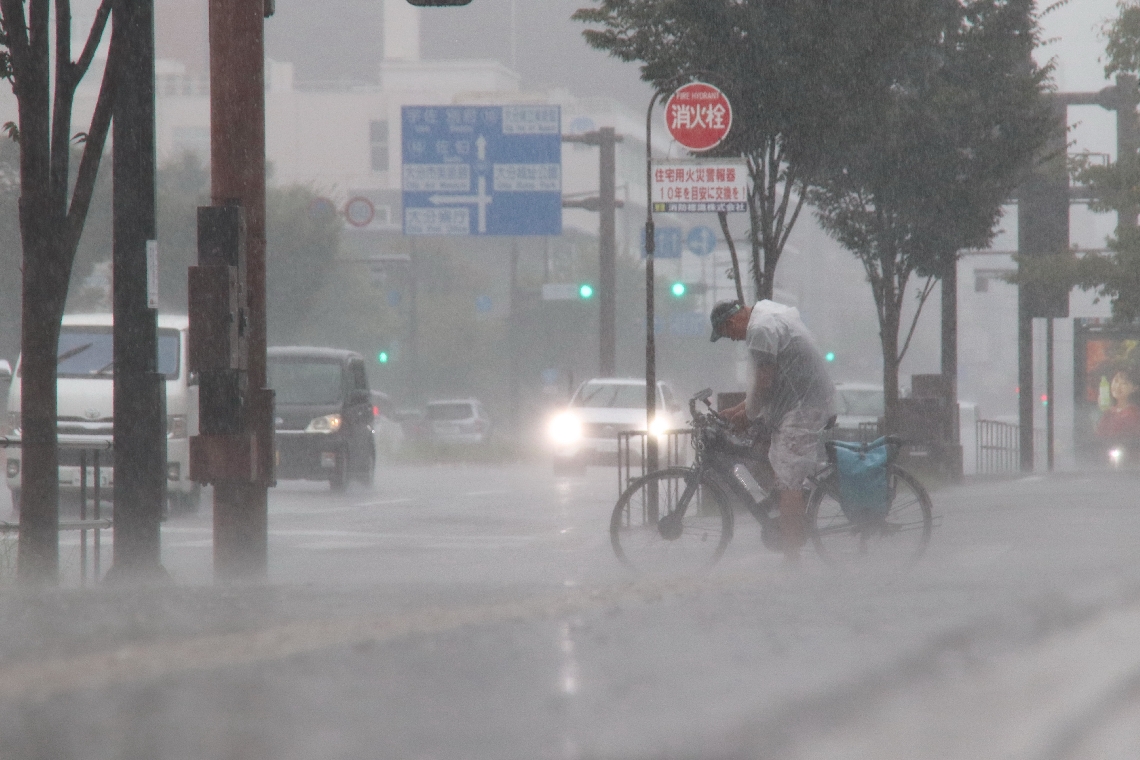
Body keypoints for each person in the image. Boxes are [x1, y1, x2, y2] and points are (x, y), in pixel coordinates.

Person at [709, 299, 835, 562]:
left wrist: (747, 414)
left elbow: (765, 382)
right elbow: (765, 382)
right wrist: (738, 410)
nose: (734, 340)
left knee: (789, 479)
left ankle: (792, 555)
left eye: (728, 335)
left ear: (731, 322)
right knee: (771, 457)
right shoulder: (766, 316)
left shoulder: (760, 330)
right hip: (802, 402)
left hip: (803, 407)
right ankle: (791, 509)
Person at [1096, 364, 1140, 441]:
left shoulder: (1134, 413)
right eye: (1116, 381)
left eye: (1124, 383)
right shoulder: (1110, 410)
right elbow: (1099, 435)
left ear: (1134, 388)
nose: (1117, 386)